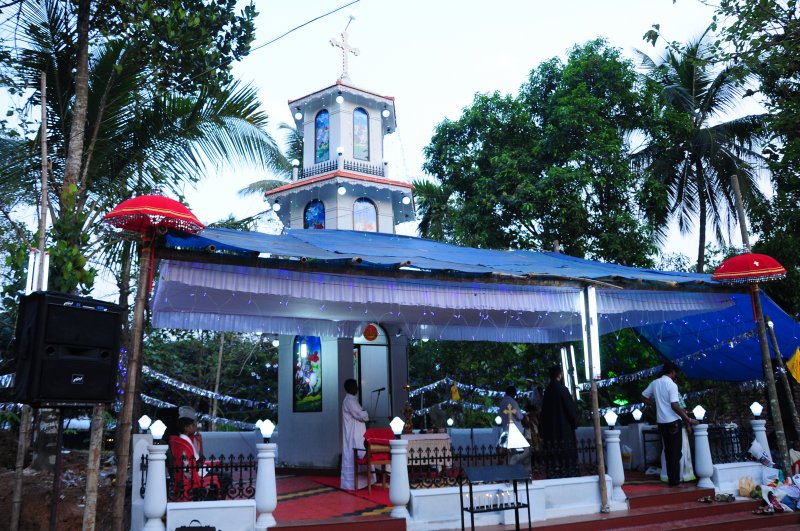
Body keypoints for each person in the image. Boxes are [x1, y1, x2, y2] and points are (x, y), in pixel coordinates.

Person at [642, 361, 699, 487]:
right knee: (676, 452)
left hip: (661, 422)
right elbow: (674, 405)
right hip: (673, 422)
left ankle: (671, 479)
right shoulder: (672, 385)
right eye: (675, 373)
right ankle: (675, 481)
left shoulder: (655, 383)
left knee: (668, 451)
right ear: (672, 372)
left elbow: (643, 396)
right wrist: (688, 420)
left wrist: (654, 404)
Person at [167, 406, 221, 501]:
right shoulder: (185, 441)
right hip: (195, 473)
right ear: (186, 428)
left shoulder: (181, 439)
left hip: (188, 471)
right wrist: (200, 443)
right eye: (192, 426)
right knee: (225, 476)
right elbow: (199, 461)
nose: (195, 428)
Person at [540, 365, 579, 475]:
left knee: (553, 452)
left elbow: (543, 411)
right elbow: (570, 408)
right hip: (564, 427)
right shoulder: (562, 389)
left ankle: (554, 470)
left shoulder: (547, 391)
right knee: (565, 452)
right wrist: (574, 423)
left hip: (550, 428)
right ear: (559, 375)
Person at [340, 378, 371, 490]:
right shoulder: (349, 401)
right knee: (356, 452)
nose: (357, 388)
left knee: (361, 451)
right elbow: (361, 416)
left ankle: (363, 482)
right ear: (350, 388)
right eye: (354, 386)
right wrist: (366, 414)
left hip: (357, 432)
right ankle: (353, 483)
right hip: (353, 433)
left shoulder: (352, 400)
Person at [499, 386, 528, 465]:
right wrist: (524, 416)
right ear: (513, 393)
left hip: (506, 429)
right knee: (517, 453)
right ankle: (515, 468)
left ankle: (503, 466)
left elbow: (500, 416)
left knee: (506, 451)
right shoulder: (513, 402)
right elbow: (519, 416)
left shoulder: (502, 402)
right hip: (515, 430)